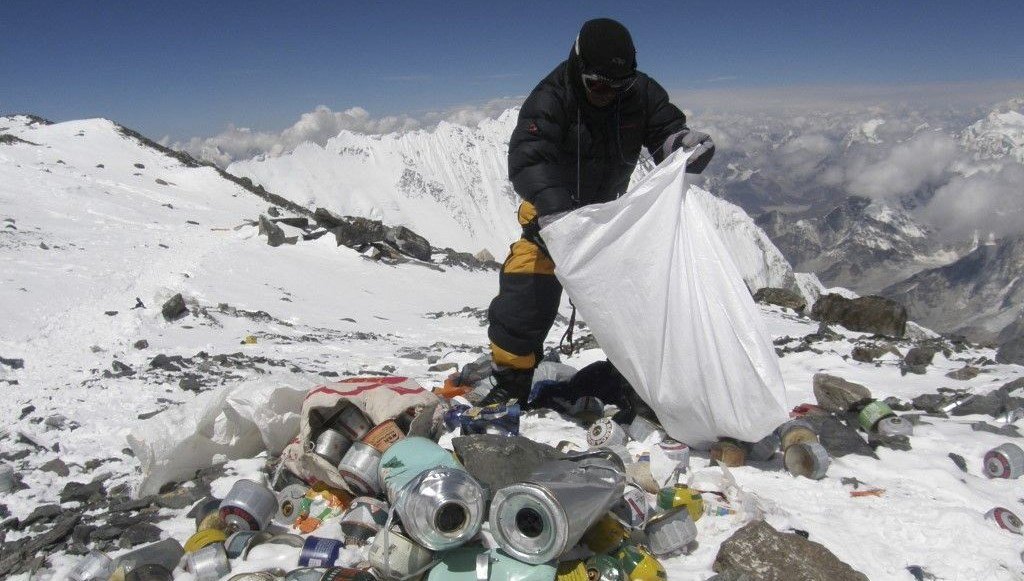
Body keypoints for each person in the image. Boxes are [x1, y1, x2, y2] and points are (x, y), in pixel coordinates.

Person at [483, 17, 715, 406]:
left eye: (618, 85)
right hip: (550, 223)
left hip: (609, 223)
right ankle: (511, 381)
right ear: (578, 66)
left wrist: (682, 145)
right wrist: (556, 213)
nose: (608, 93)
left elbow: (664, 131)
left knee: (640, 302)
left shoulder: (639, 93)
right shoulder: (551, 98)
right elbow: (528, 159)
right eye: (599, 84)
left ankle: (637, 382)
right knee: (525, 298)